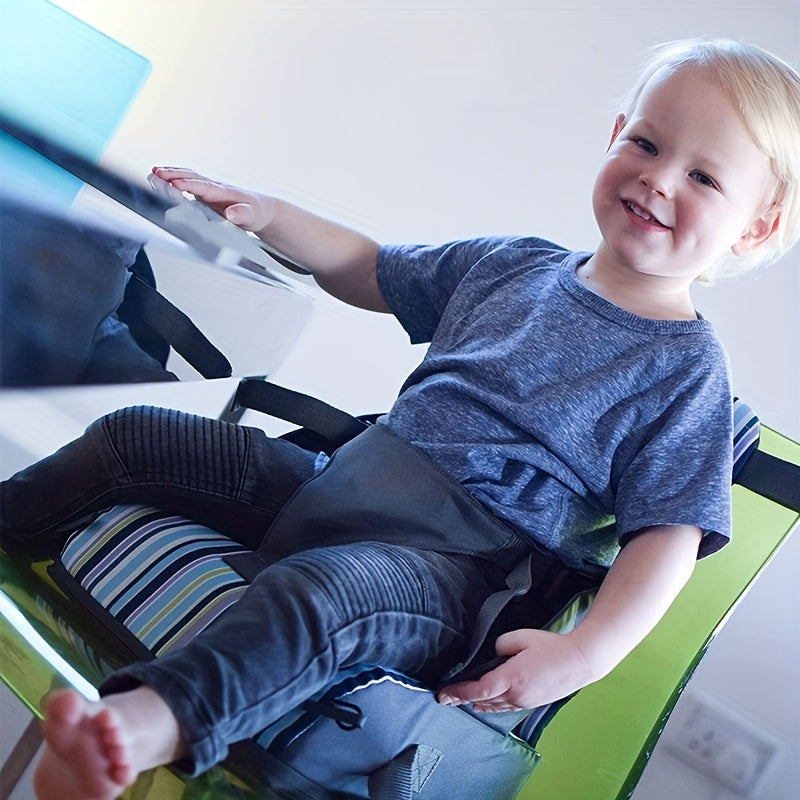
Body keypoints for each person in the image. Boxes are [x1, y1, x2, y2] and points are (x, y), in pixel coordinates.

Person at [2, 37, 799, 800]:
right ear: (616, 134)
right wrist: (267, 213)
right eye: (650, 145)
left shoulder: (687, 374)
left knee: (320, 594)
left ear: (756, 227)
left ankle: (138, 726)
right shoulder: (513, 264)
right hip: (341, 478)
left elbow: (667, 539)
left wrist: (585, 654)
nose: (660, 181)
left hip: (448, 571)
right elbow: (371, 269)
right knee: (135, 434)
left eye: (704, 178)